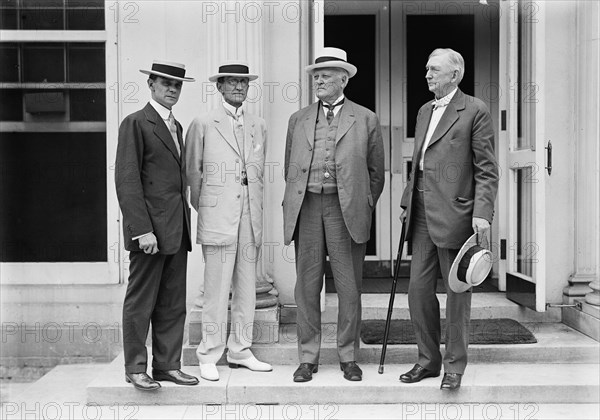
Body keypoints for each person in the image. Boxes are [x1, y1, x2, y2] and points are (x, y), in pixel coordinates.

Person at [283, 47, 385, 383]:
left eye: (326, 75)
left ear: (344, 79)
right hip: (308, 207)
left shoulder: (365, 118)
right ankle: (308, 357)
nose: (319, 80)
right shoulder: (298, 119)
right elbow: (289, 168)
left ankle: (348, 357)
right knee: (307, 287)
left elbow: (375, 173)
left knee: (349, 286)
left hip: (346, 212)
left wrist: (361, 203)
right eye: (316, 75)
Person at [399, 48, 499, 390]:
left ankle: (454, 366)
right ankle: (428, 361)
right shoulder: (425, 110)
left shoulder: (475, 110)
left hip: (457, 212)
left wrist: (482, 213)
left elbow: (487, 169)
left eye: (434, 70)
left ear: (454, 75)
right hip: (422, 211)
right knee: (417, 291)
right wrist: (405, 201)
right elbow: (419, 162)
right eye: (427, 68)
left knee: (458, 292)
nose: (427, 74)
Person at [185, 60, 272, 382]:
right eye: (231, 82)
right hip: (219, 215)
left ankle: (240, 350)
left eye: (243, 82)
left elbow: (257, 173)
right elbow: (192, 173)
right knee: (216, 289)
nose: (238, 87)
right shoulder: (204, 123)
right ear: (219, 86)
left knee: (247, 287)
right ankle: (209, 352)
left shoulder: (258, 124)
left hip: (249, 215)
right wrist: (208, 208)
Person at [115, 60, 198, 391]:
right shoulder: (135, 123)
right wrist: (141, 229)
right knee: (141, 301)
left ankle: (167, 365)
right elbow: (127, 180)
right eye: (165, 84)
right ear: (151, 84)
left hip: (177, 230)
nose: (172, 90)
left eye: (177, 85)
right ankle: (135, 367)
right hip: (149, 232)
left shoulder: (176, 126)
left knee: (173, 302)